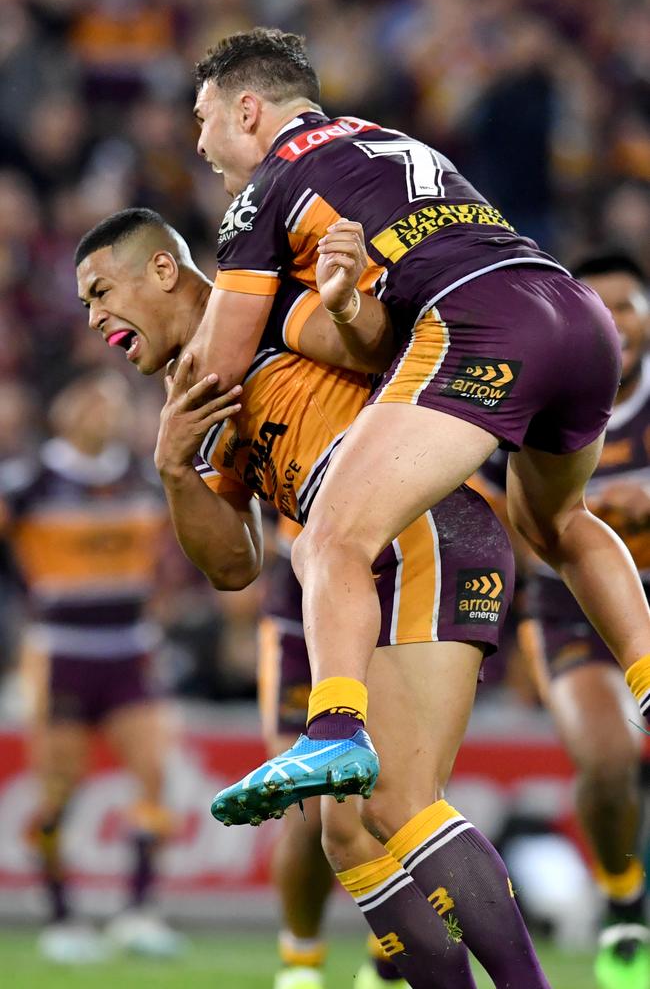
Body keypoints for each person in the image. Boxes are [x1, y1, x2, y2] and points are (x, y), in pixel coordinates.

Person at [75, 207, 553, 988]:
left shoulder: (264, 305)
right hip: (374, 560)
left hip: (419, 523)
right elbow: (232, 566)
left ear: (163, 270)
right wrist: (172, 469)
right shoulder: (195, 388)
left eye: (100, 292)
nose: (94, 318)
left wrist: (347, 301)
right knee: (351, 835)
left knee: (397, 802)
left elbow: (386, 349)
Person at [182, 28, 650, 824]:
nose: (198, 141)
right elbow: (384, 324)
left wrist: (174, 421)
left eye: (204, 117)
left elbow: (217, 369)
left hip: (483, 327)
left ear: (248, 108)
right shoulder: (389, 140)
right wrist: (339, 308)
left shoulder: (268, 185)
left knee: (329, 533)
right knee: (557, 521)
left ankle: (332, 726)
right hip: (572, 312)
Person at [5, 370, 184, 962]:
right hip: (61, 649)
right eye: (89, 399)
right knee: (58, 789)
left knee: (156, 776)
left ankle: (137, 911)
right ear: (62, 408)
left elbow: (166, 555)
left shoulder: (141, 476)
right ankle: (61, 917)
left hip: (130, 645)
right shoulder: (28, 483)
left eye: (111, 402)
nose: (100, 412)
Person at [512, 253, 649, 989]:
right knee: (605, 761)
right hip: (570, 607)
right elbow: (503, 512)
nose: (618, 321)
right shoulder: (539, 396)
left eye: (630, 305)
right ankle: (625, 899)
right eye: (604, 305)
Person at [259, 516, 405, 989]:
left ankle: (388, 963)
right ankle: (300, 963)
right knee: (307, 808)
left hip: (402, 601)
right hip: (304, 611)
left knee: (396, 800)